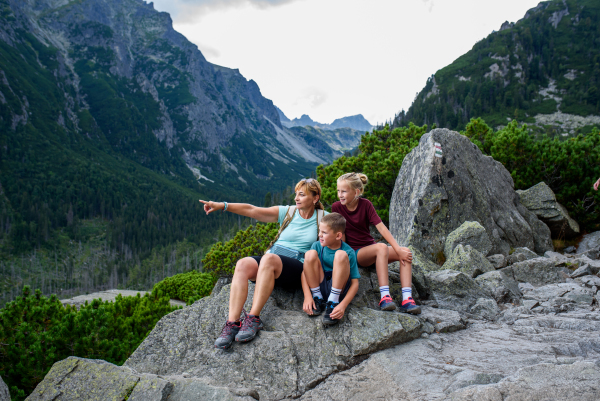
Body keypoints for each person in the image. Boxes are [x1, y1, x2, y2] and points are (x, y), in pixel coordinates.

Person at [200, 178, 326, 349]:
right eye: (296, 194)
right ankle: (232, 323)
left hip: (297, 267)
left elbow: (339, 238)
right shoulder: (288, 212)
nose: (296, 198)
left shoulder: (323, 218)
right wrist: (223, 205)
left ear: (315, 198)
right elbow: (253, 210)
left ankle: (253, 318)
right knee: (243, 264)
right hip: (273, 261)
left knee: (268, 259)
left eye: (302, 195)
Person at [332, 172, 420, 314]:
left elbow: (381, 228)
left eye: (344, 191)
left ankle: (407, 299)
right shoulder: (337, 207)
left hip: (374, 250)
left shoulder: (366, 205)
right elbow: (340, 235)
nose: (340, 194)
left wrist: (398, 250)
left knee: (405, 252)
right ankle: (385, 297)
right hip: (356, 253)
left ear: (357, 192)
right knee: (381, 247)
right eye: (338, 191)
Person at [301, 213, 360, 325]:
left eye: (324, 233)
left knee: (340, 255)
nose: (319, 235)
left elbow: (355, 283)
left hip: (339, 290)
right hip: (320, 286)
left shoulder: (349, 252)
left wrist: (343, 305)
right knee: (309, 254)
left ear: (338, 236)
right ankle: (317, 298)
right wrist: (307, 296)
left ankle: (333, 303)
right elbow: (304, 273)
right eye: (319, 231)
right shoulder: (317, 246)